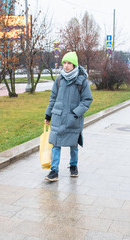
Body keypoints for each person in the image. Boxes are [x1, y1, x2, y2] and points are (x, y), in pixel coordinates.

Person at [44, 51, 93, 181]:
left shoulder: (81, 81)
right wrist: (48, 115)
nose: (66, 66)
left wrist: (76, 113)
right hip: (58, 118)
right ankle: (54, 171)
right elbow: (53, 98)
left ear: (74, 64)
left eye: (69, 63)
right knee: (55, 144)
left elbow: (87, 100)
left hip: (73, 119)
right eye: (64, 63)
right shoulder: (59, 80)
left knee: (73, 145)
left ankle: (73, 166)